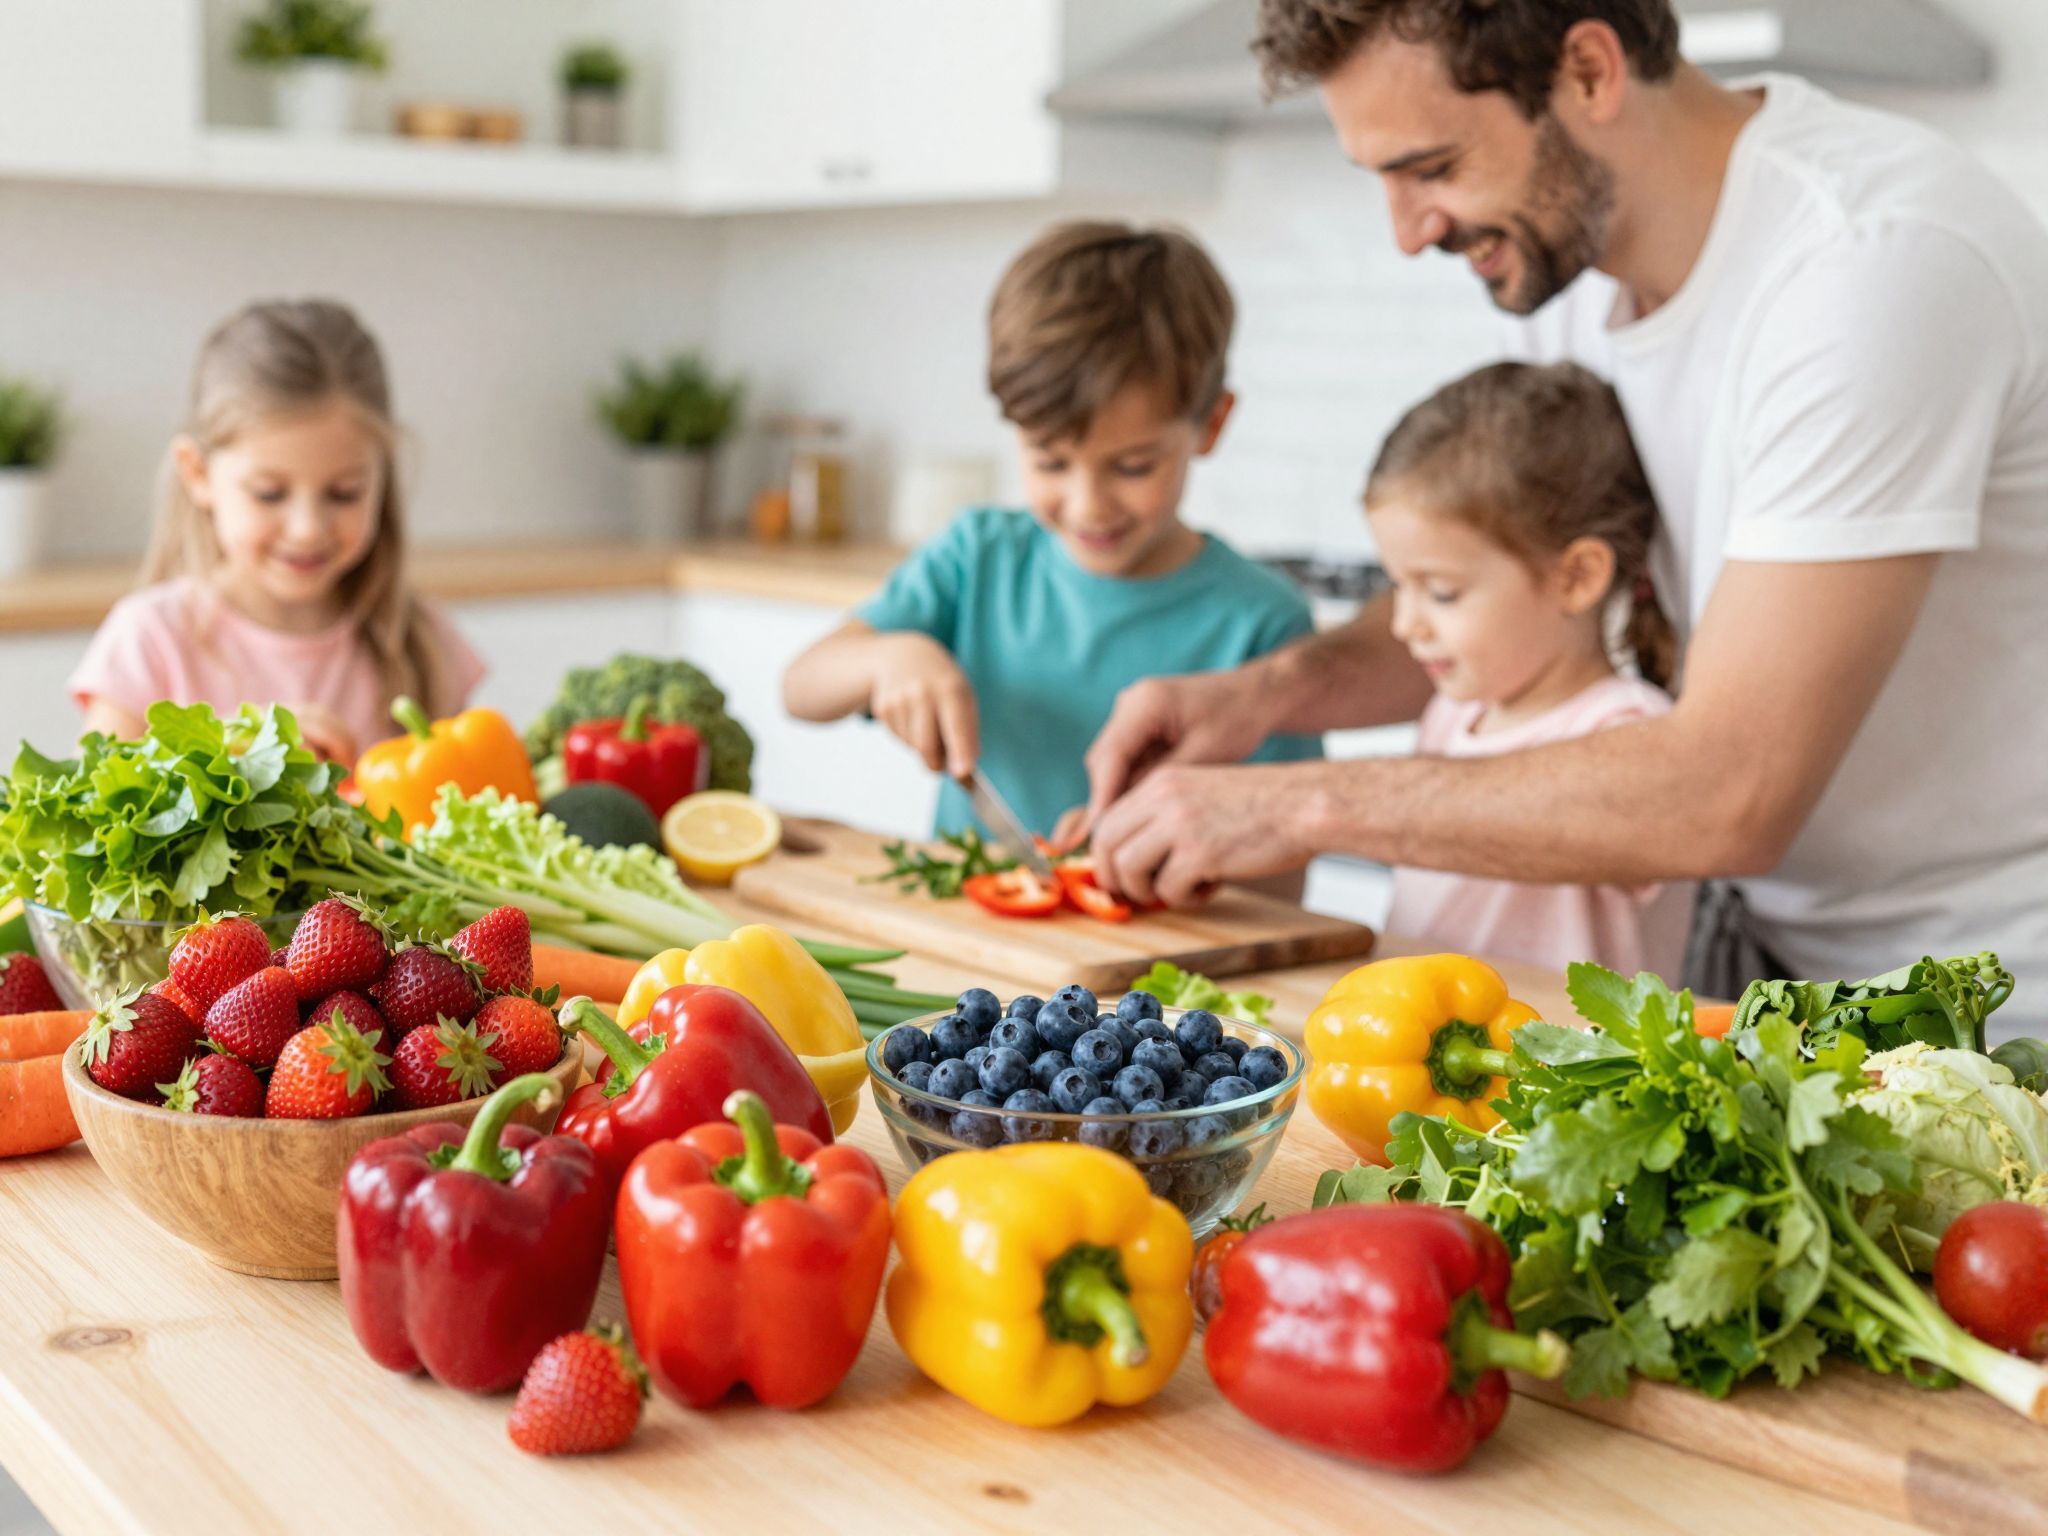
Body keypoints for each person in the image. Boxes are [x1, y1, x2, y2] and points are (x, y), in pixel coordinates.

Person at [1081, 0, 2048, 1024]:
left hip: (1994, 996)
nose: (1409, 232)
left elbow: (1729, 790)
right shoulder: (1577, 276)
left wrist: (1300, 805)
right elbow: (1505, 598)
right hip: (1783, 970)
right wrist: (1263, 696)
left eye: (1432, 167)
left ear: (1588, 71)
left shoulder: (1871, 267)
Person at [783, 219, 1321, 841]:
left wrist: (1182, 856)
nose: (1088, 506)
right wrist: (888, 658)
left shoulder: (1263, 623)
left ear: (1212, 424)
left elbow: (1283, 875)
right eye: (1050, 462)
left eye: (1133, 466)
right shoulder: (979, 556)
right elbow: (800, 687)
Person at [1369, 359, 1692, 978]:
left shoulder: (1629, 730)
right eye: (1397, 586)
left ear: (1576, 577)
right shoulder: (1451, 713)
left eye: (1441, 592)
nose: (1405, 624)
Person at [71, 299, 484, 763]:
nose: (307, 529)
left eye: (344, 493)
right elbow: (95, 797)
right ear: (198, 474)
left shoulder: (422, 641)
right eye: (269, 494)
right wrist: (223, 749)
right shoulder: (151, 639)